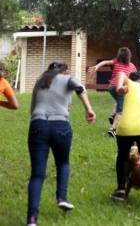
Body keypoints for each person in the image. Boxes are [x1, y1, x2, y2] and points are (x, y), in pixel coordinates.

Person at [27, 62, 96, 226]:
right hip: (60, 127)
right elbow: (80, 88)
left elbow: (32, 110)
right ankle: (62, 198)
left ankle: (31, 219)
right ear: (64, 71)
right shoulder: (68, 78)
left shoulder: (40, 82)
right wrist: (89, 109)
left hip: (38, 126)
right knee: (63, 163)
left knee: (37, 174)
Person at [110, 71, 140, 217]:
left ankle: (120, 191)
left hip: (126, 127)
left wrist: (119, 87)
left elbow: (121, 73)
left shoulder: (131, 85)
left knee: (123, 158)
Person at [88, 47, 136, 137]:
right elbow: (136, 76)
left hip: (111, 88)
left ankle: (114, 115)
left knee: (119, 101)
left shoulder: (116, 62)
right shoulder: (132, 66)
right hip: (121, 88)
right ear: (129, 56)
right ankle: (113, 129)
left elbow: (105, 62)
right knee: (121, 110)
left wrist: (97, 66)